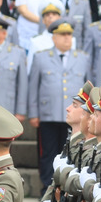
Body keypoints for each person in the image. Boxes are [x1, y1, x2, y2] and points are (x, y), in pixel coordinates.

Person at [28, 19, 91, 189]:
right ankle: (47, 187)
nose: (66, 38)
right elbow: (33, 86)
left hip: (75, 117)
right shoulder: (41, 57)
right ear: (53, 38)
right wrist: (33, 113)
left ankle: (67, 187)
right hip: (48, 113)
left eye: (69, 35)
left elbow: (89, 89)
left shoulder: (83, 58)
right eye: (62, 35)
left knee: (72, 152)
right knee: (47, 153)